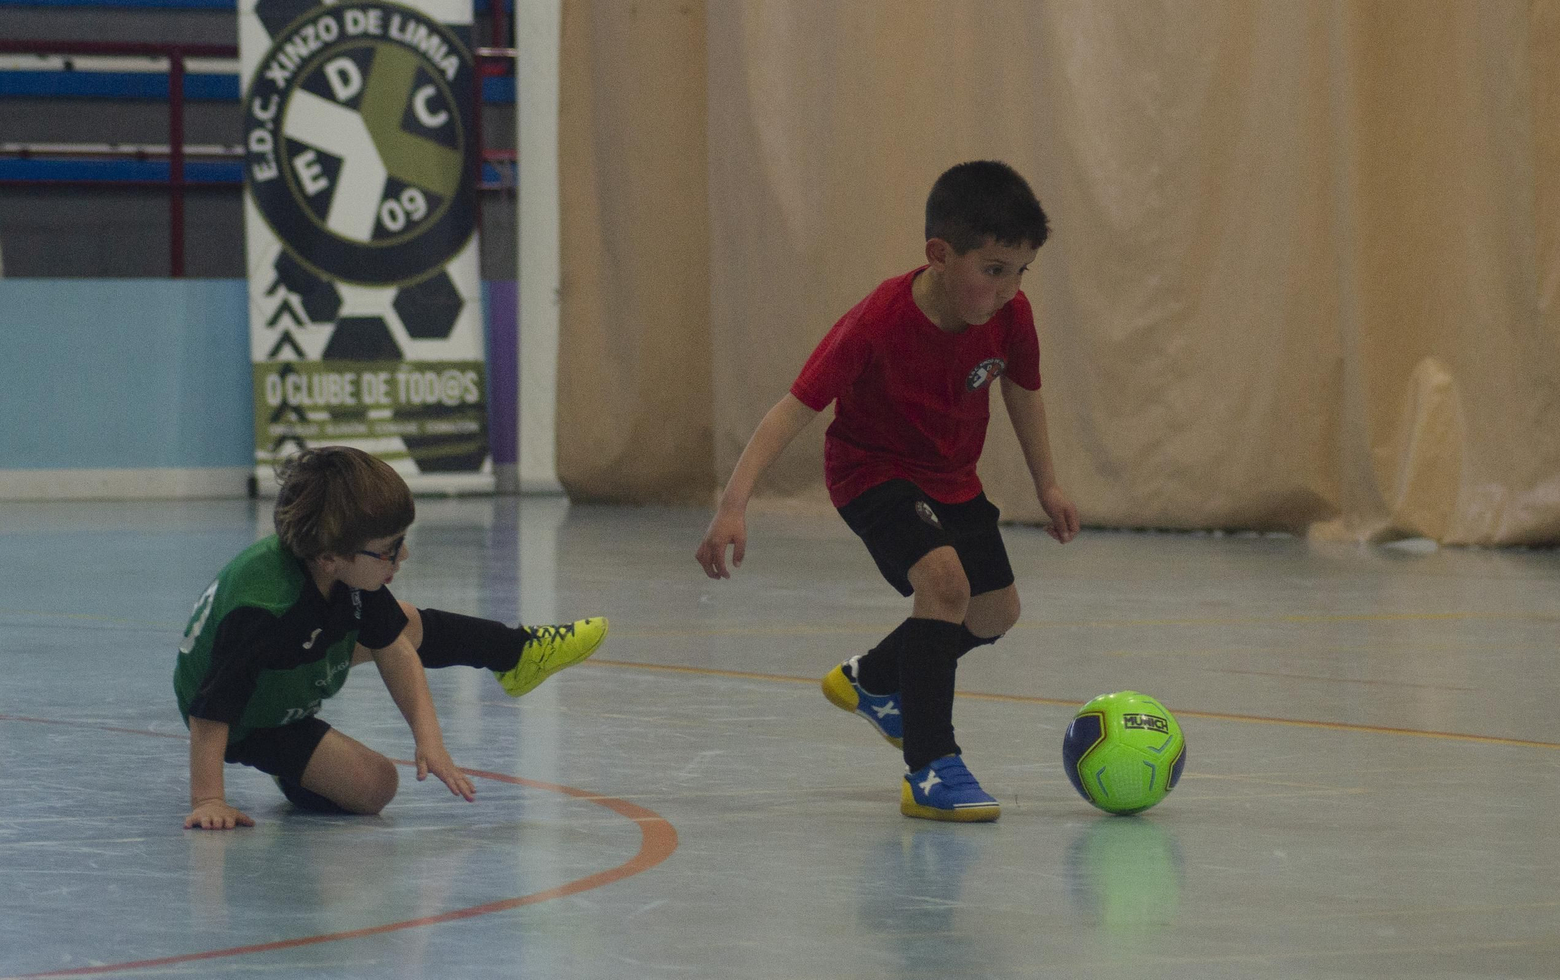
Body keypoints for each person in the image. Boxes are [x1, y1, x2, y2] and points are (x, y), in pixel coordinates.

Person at [695, 160, 1079, 822]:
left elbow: (1023, 388)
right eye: (994, 270)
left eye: (1021, 272)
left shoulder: (1011, 315)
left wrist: (1048, 482)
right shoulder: (877, 321)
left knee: (996, 611)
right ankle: (931, 768)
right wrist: (733, 506)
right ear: (939, 255)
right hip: (871, 473)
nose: (1009, 289)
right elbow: (791, 411)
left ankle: (873, 680)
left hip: (952, 477)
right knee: (946, 586)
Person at [174, 446, 608, 829]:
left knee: (404, 622)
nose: (404, 555)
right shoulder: (263, 611)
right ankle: (292, 770)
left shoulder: (341, 569)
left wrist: (429, 738)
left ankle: (518, 654)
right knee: (376, 786)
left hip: (286, 665)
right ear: (329, 558)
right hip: (248, 719)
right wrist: (209, 800)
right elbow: (210, 712)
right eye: (390, 548)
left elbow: (395, 650)